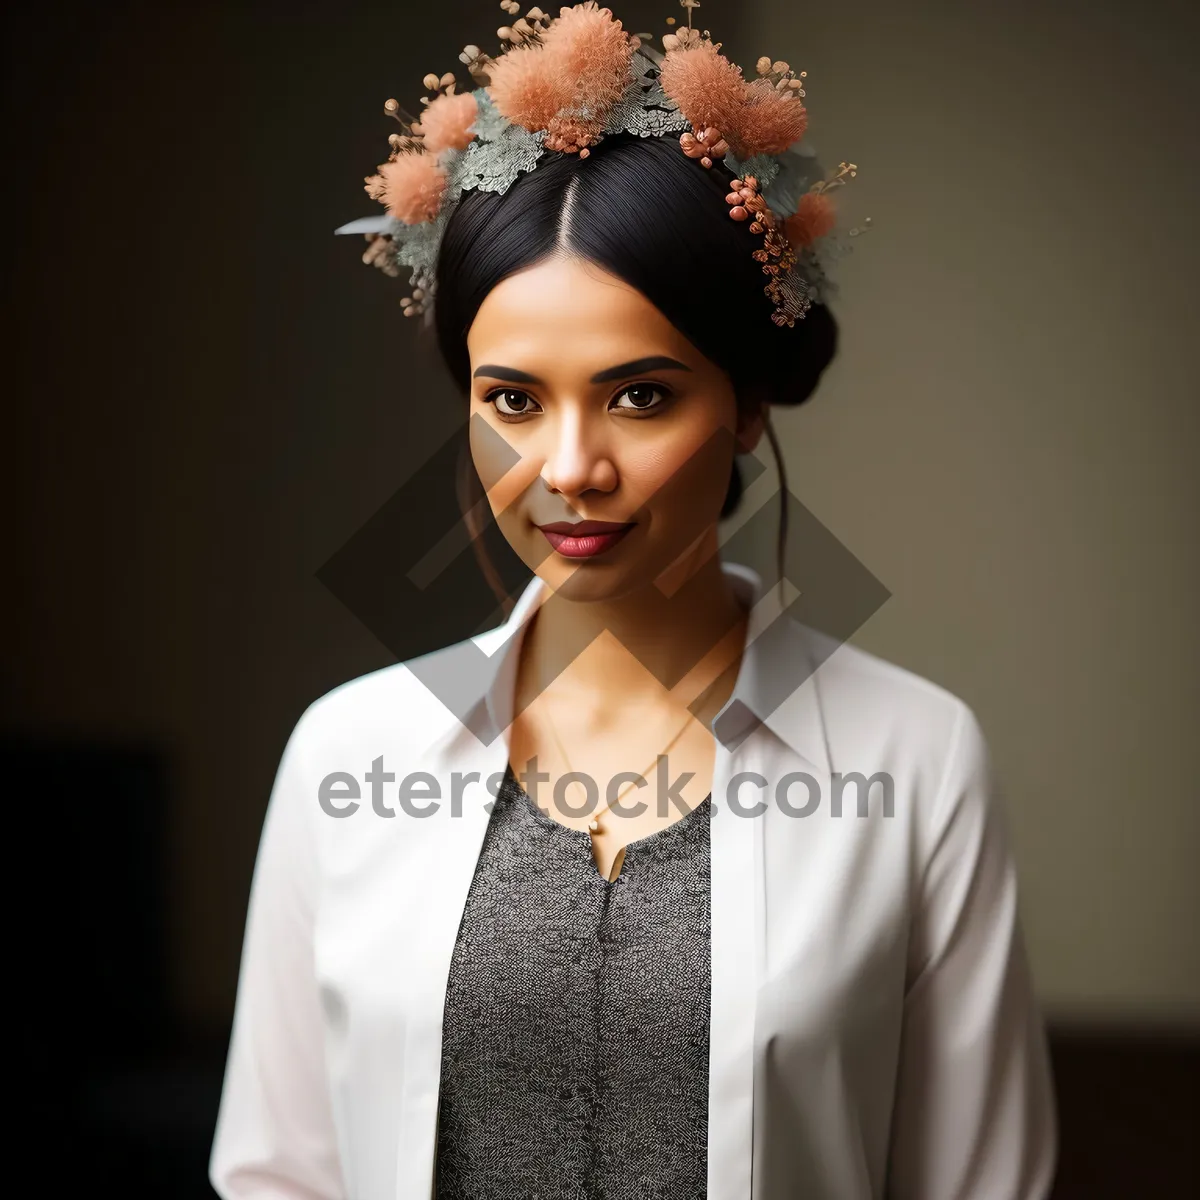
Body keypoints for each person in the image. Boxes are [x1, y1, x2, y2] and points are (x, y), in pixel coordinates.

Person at [210, 5, 1058, 1197]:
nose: (568, 468)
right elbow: (277, 1176)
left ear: (748, 403)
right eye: (511, 400)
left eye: (641, 397)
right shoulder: (347, 754)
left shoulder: (915, 760)